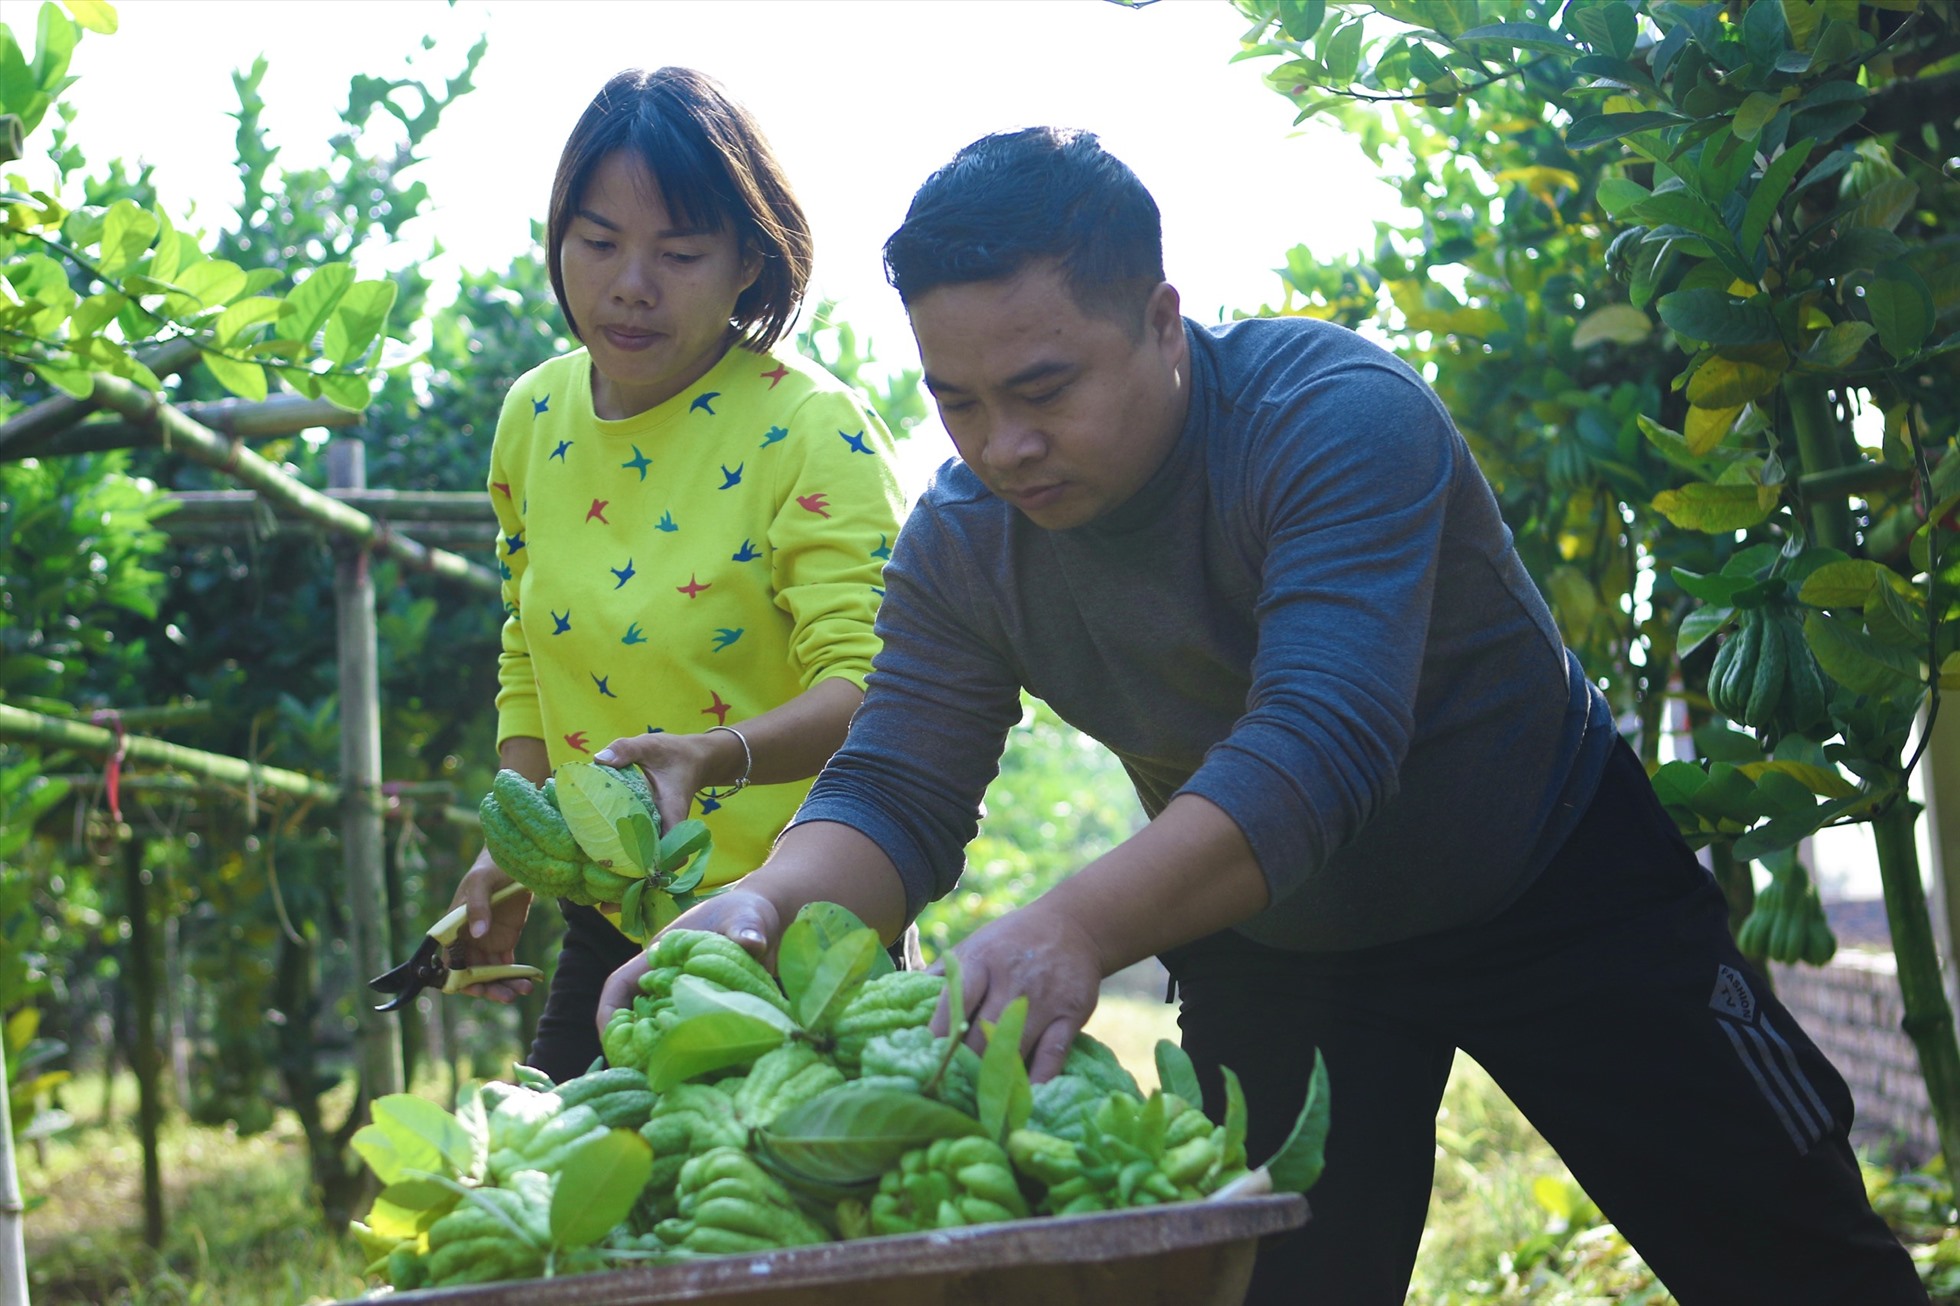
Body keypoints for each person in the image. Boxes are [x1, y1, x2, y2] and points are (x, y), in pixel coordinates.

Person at [594, 127, 1925, 1303]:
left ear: (1165, 321)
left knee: (1795, 1260)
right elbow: (895, 786)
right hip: (1270, 939)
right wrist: (761, 905)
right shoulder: (963, 543)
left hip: (1554, 881)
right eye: (958, 400)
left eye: (1044, 388)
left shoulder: (1336, 420)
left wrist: (1071, 924)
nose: (1002, 446)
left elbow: (1321, 745)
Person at [448, 66, 906, 1085]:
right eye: (600, 242)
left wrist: (716, 756)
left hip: (796, 925)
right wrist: (520, 843)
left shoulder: (808, 430)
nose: (630, 285)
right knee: (567, 1219)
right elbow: (528, 644)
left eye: (680, 251)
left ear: (750, 259)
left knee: (775, 1229)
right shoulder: (532, 415)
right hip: (615, 914)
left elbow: (878, 692)